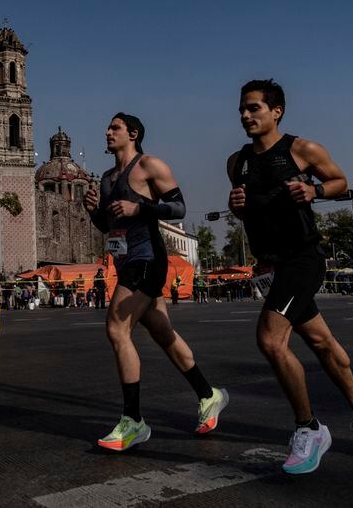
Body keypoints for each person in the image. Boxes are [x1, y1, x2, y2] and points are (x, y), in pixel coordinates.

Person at [227, 79, 353, 475]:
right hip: (273, 264)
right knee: (321, 343)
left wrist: (315, 191)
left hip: (303, 257)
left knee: (270, 339)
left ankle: (309, 428)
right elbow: (250, 213)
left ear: (276, 111)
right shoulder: (237, 162)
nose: (245, 115)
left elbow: (340, 181)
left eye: (254, 108)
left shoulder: (302, 149)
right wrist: (237, 207)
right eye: (242, 109)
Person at [84, 112, 228, 452]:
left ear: (132, 134)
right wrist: (93, 211)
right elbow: (109, 228)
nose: (107, 132)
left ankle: (133, 421)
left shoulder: (149, 166)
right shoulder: (106, 179)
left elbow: (178, 208)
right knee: (163, 334)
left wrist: (141, 210)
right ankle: (209, 396)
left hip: (148, 259)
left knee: (117, 329)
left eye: (115, 127)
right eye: (107, 127)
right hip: (125, 261)